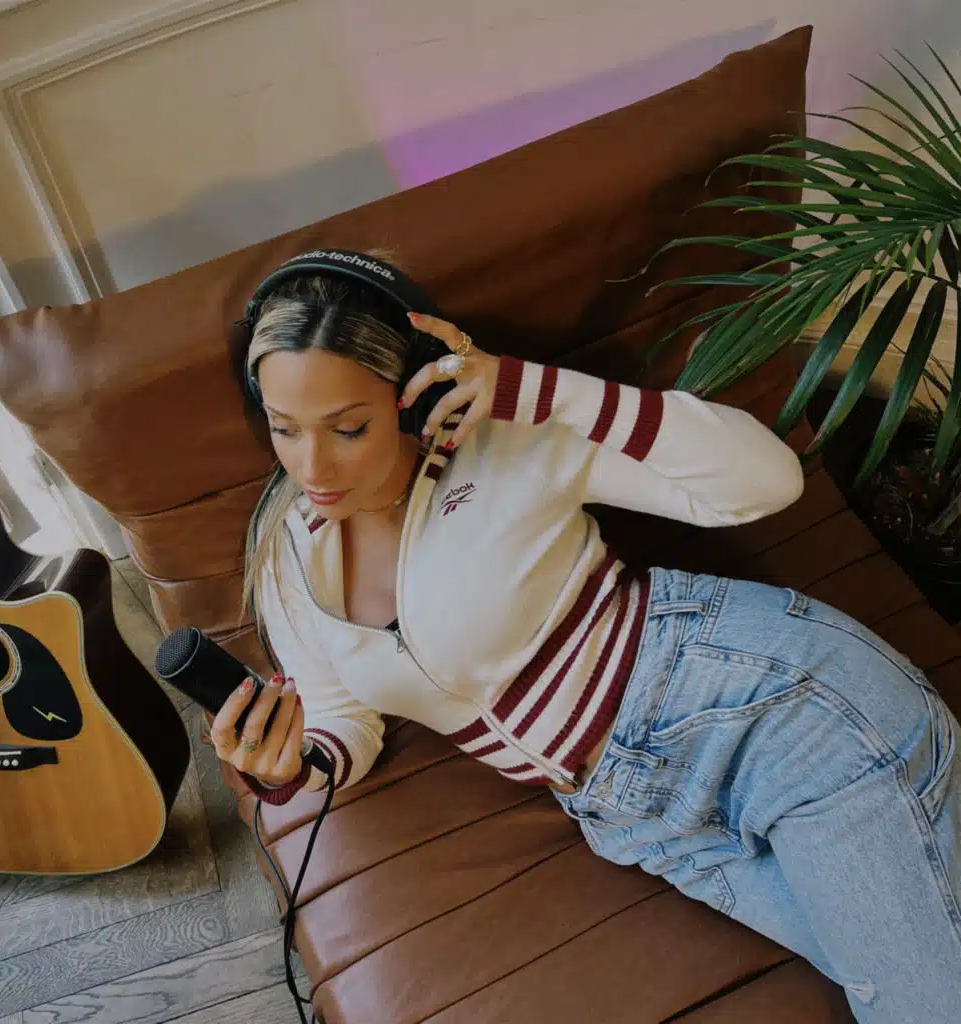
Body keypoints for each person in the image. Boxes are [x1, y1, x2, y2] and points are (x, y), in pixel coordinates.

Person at [207, 250, 960, 1023]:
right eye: (284, 429)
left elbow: (767, 481)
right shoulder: (283, 552)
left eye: (348, 428)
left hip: (766, 712)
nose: (312, 464)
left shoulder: (509, 440)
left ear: (409, 396)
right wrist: (287, 766)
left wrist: (538, 392)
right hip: (637, 821)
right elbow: (344, 721)